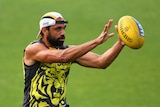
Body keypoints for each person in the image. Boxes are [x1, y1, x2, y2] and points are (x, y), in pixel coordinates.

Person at [22, 11, 125, 107]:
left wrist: (120, 43)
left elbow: (101, 62)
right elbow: (63, 57)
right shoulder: (33, 49)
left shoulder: (69, 51)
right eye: (58, 29)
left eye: (63, 28)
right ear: (44, 30)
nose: (62, 33)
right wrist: (96, 42)